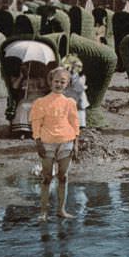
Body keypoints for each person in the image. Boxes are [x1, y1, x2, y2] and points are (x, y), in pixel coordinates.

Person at [30, 66, 80, 221]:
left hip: (66, 142)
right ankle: (43, 212)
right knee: (46, 178)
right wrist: (38, 142)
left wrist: (76, 143)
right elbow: (36, 123)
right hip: (47, 143)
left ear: (67, 84)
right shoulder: (41, 102)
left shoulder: (70, 102)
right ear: (50, 82)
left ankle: (61, 210)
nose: (59, 84)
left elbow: (74, 122)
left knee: (63, 177)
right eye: (56, 81)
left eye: (62, 82)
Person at [60, 53, 90, 127]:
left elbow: (79, 87)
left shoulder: (80, 78)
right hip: (68, 99)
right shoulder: (64, 75)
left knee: (78, 117)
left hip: (77, 100)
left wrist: (73, 77)